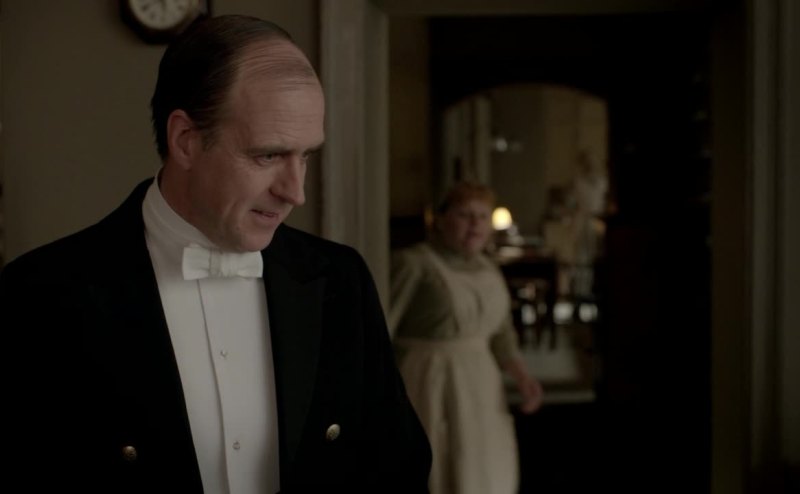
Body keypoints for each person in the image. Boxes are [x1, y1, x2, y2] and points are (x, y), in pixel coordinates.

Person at [0, 15, 430, 493]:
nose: (295, 192)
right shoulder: (40, 294)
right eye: (268, 155)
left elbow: (397, 470)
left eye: (306, 155)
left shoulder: (341, 278)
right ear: (185, 140)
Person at [388, 181, 544, 494]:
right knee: (444, 461)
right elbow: (382, 327)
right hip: (431, 378)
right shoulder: (414, 262)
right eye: (464, 215)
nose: (475, 224)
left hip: (481, 380)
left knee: (484, 462)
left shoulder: (488, 267)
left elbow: (501, 334)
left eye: (482, 216)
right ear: (440, 219)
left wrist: (522, 377)